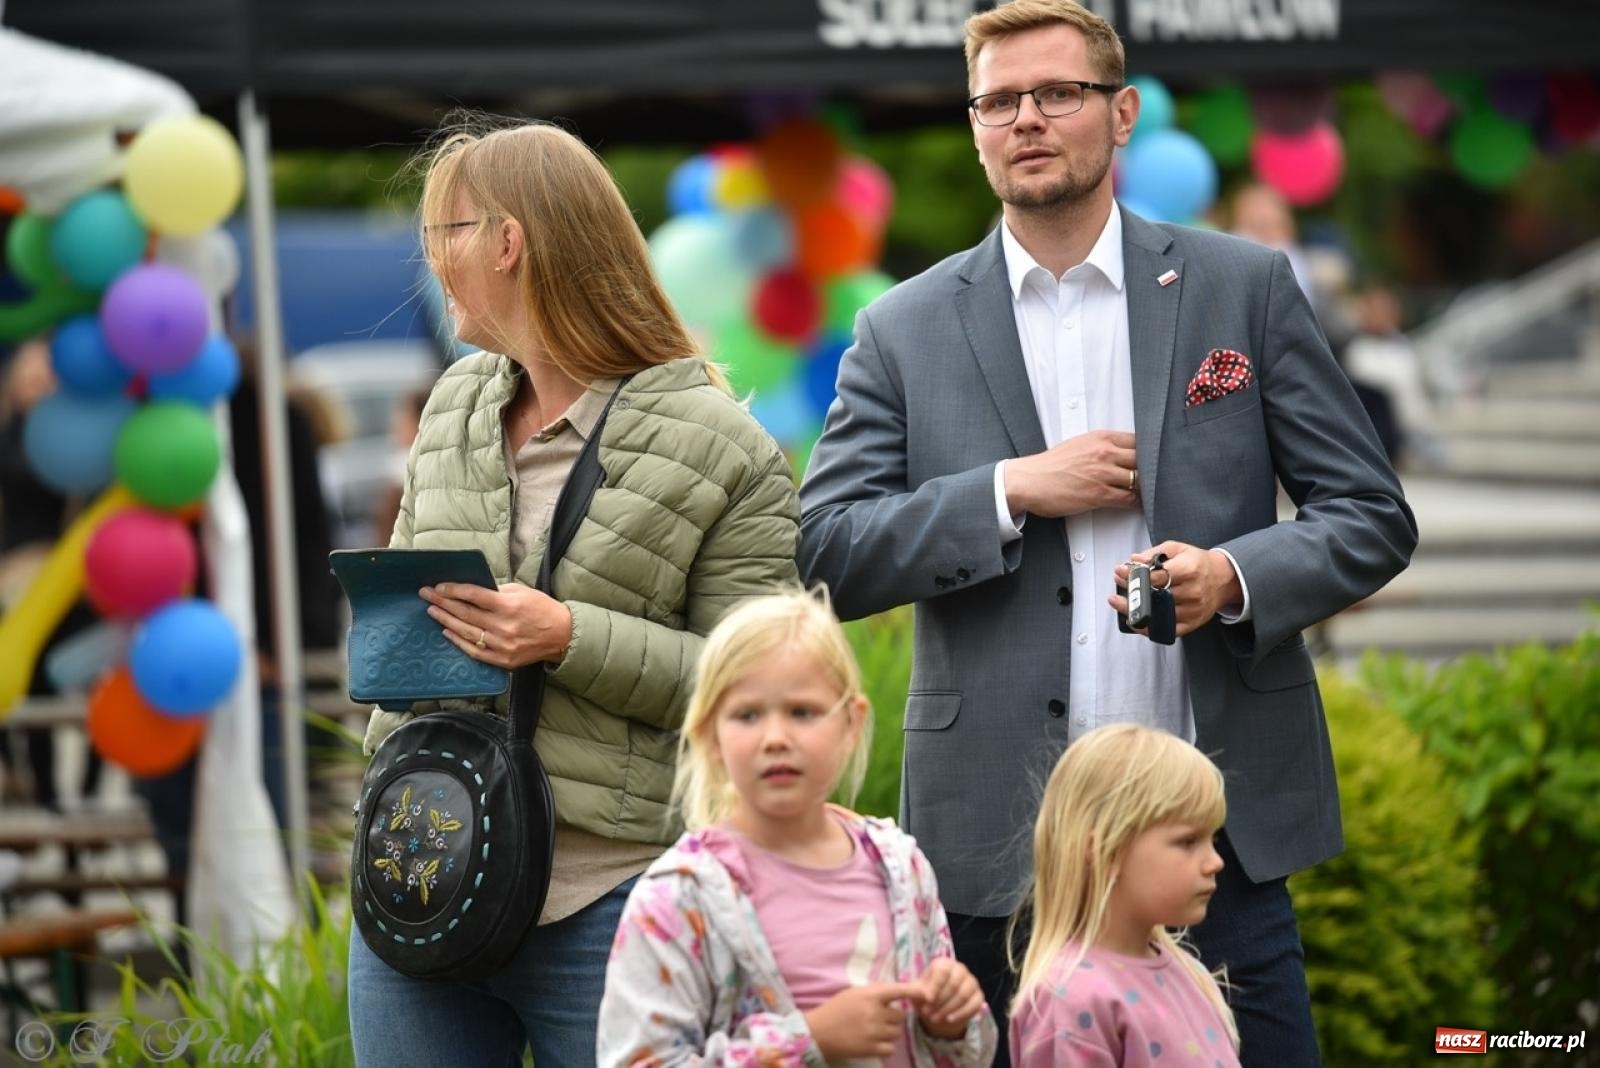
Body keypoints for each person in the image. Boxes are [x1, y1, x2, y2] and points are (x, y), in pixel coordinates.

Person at [796, 2, 1418, 1063]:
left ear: (1121, 113)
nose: (1027, 118)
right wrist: (1009, 490)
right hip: (1002, 839)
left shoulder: (1243, 287)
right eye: (999, 100)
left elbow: (1370, 515)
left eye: (1058, 94)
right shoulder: (899, 327)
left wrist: (1231, 575)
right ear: (975, 124)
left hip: (1208, 837)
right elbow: (830, 551)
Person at [346, 116, 802, 1066]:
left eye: (445, 234)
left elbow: (757, 688)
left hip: (611, 904)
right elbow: (397, 628)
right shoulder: (456, 404)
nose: (430, 260)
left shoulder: (724, 446)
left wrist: (565, 636)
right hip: (423, 864)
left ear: (509, 244)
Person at [596, 588, 996, 1067]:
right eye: (747, 715)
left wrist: (948, 1024)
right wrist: (810, 1041)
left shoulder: (901, 868)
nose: (776, 738)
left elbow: (957, 1053)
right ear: (710, 735)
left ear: (851, 724)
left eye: (803, 712)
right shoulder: (679, 898)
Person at [1008, 724, 1238, 1067]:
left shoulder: (1191, 973)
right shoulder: (1070, 1001)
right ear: (1105, 850)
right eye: (1188, 841)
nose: (1215, 862)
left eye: (1213, 840)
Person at [0, 336, 103, 811]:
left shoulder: (74, 435)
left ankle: (84, 791)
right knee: (34, 680)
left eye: (45, 376)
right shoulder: (14, 436)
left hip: (71, 578)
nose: (37, 384)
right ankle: (44, 791)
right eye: (30, 375)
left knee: (95, 672)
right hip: (21, 576)